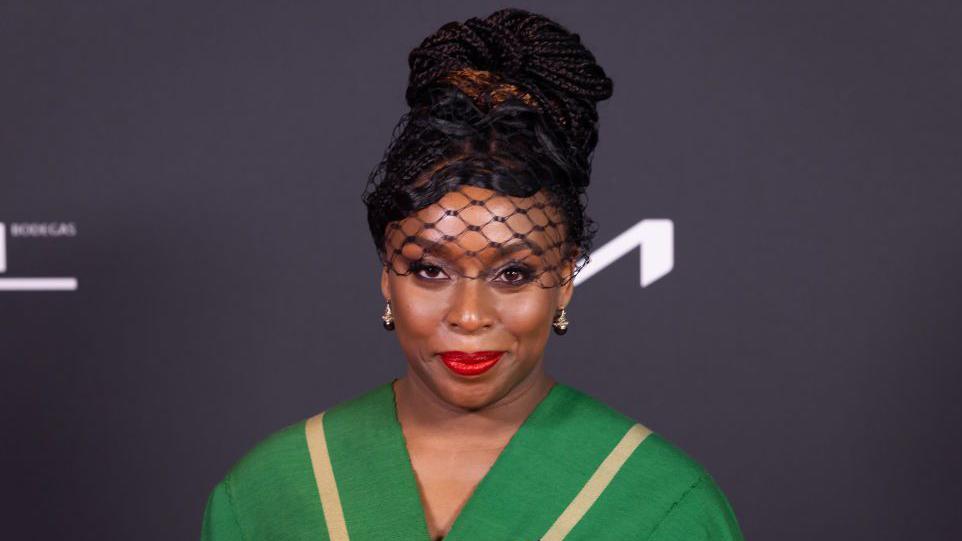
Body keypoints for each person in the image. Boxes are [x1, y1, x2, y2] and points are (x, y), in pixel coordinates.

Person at [200, 8, 744, 540]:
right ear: (386, 274)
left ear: (565, 279)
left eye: (513, 274)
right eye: (430, 269)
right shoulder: (270, 493)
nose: (468, 316)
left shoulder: (661, 505)